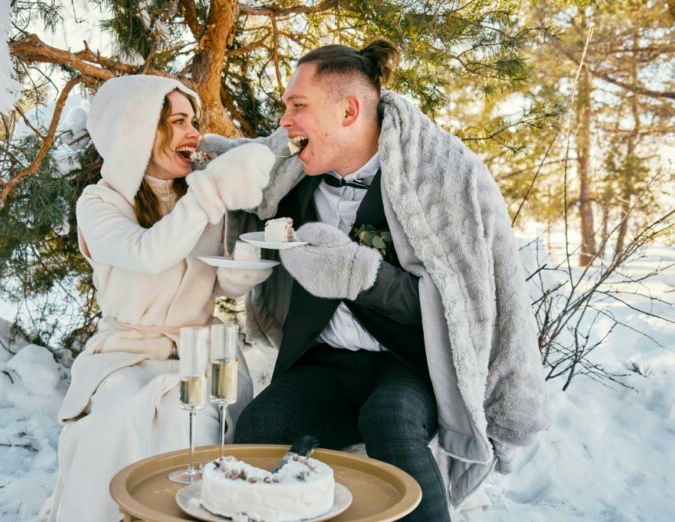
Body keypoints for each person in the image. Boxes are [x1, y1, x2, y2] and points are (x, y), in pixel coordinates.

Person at [203, 39, 548, 520]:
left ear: (349, 110)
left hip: (407, 363)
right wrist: (204, 157)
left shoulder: (442, 179)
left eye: (298, 106)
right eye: (285, 107)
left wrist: (361, 276)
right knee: (260, 425)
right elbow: (249, 160)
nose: (285, 121)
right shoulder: (291, 169)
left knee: (390, 420)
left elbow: (470, 302)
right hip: (323, 363)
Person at [47, 75, 276, 522]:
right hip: (127, 354)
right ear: (137, 131)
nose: (195, 133)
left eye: (194, 121)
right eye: (178, 121)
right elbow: (147, 254)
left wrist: (240, 277)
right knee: (117, 414)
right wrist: (210, 192)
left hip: (198, 352)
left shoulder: (199, 197)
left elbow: (216, 282)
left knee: (189, 421)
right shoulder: (100, 202)